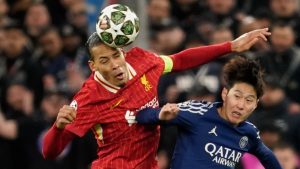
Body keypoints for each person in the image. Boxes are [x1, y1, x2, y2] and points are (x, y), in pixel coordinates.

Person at [42, 28, 271, 169]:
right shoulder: (88, 99)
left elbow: (180, 60)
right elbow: (49, 153)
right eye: (104, 61)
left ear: (123, 52)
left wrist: (230, 46)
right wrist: (58, 127)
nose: (114, 65)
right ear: (92, 66)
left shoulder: (143, 61)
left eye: (116, 56)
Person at [137, 56, 282, 169]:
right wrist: (159, 115)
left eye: (249, 100)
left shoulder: (249, 132)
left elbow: (267, 156)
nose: (241, 105)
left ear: (256, 105)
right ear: (225, 94)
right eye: (237, 96)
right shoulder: (197, 111)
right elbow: (141, 115)